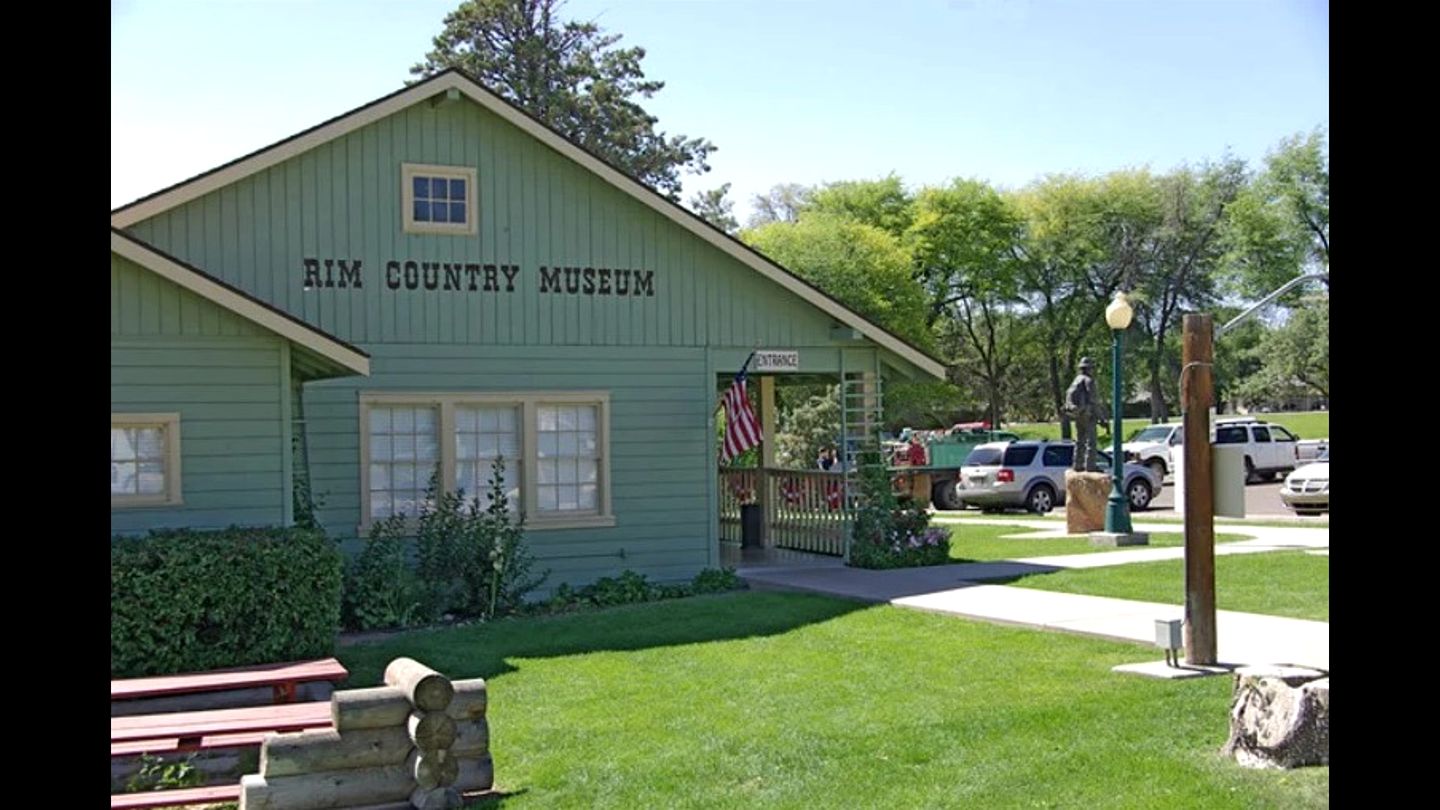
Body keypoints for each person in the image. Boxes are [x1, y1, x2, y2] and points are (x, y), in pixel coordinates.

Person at [1065, 357, 1105, 472]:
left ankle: (1077, 464)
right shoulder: (1089, 381)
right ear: (1089, 369)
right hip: (1088, 414)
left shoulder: (1076, 380)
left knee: (1079, 440)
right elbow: (1094, 401)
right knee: (1091, 441)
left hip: (1078, 414)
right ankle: (1090, 465)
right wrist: (1102, 418)